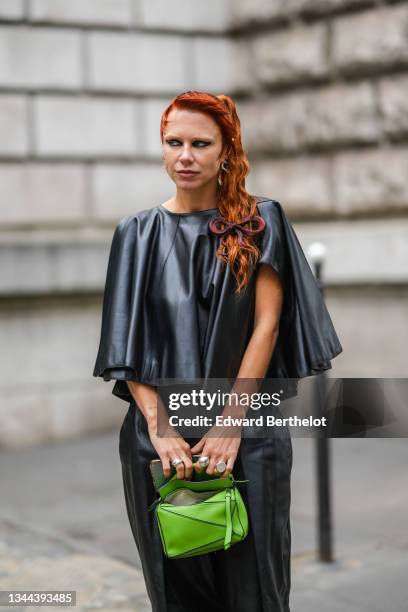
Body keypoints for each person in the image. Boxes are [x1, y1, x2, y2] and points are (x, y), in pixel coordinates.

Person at [93, 91, 342, 612]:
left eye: (200, 143)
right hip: (159, 439)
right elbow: (125, 347)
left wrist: (229, 424)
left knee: (256, 589)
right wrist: (161, 430)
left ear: (227, 150)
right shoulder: (135, 234)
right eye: (173, 142)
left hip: (247, 430)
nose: (185, 155)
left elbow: (267, 326)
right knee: (176, 590)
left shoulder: (262, 220)